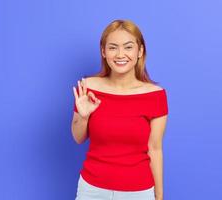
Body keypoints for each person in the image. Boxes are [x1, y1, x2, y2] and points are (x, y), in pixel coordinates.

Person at [71, 19, 168, 200]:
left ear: (140, 51)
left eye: (128, 47)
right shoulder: (88, 87)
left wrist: (159, 197)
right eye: (113, 47)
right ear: (104, 52)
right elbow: (78, 138)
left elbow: (154, 149)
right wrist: (83, 117)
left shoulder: (155, 95)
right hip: (92, 189)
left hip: (138, 192)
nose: (120, 54)